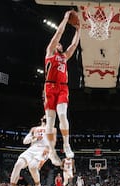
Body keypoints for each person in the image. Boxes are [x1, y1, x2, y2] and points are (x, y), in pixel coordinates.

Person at [43, 10, 81, 159]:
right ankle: (52, 151)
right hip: (49, 87)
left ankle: (66, 144)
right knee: (50, 122)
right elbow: (58, 33)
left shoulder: (64, 56)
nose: (59, 43)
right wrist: (65, 18)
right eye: (57, 43)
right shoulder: (50, 52)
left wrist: (78, 31)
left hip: (63, 87)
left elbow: (73, 45)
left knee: (63, 115)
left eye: (60, 44)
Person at [1, 117, 51, 186]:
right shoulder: (34, 129)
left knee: (33, 167)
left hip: (42, 150)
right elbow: (25, 141)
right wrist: (34, 138)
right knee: (18, 165)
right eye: (44, 118)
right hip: (32, 149)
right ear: (41, 120)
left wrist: (45, 156)